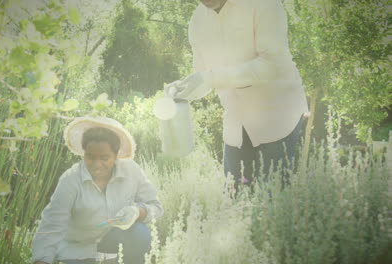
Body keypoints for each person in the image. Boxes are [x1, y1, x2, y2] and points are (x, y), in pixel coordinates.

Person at [166, 0, 309, 190]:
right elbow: (203, 74)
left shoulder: (264, 5)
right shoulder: (197, 21)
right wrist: (183, 89)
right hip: (236, 121)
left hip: (278, 116)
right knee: (235, 197)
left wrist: (211, 78)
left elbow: (272, 66)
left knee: (274, 197)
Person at [31, 116, 163, 264]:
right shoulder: (70, 180)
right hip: (78, 250)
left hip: (113, 244)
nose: (96, 164)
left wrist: (138, 212)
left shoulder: (131, 171)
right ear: (84, 153)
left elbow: (156, 207)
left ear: (116, 155)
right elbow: (52, 225)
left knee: (140, 233)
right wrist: (41, 260)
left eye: (104, 158)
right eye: (90, 157)